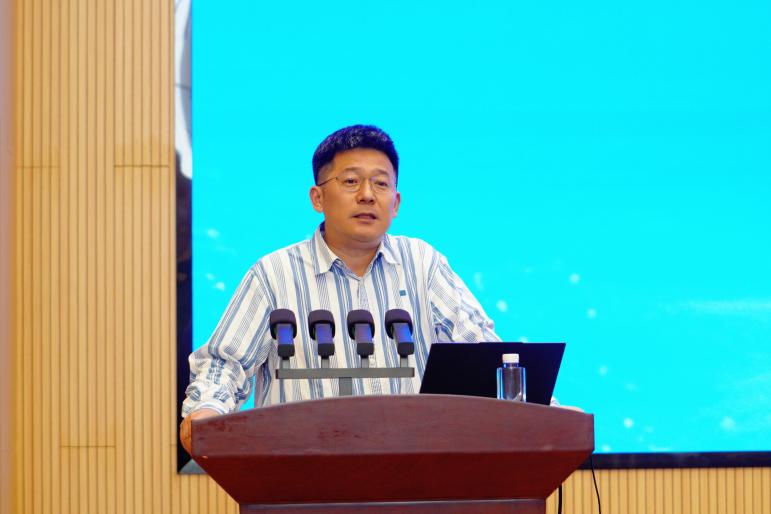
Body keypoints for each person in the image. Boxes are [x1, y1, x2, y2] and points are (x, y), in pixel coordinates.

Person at [180, 125, 500, 453]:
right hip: (303, 468)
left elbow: (484, 353)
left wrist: (526, 398)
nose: (367, 195)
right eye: (350, 181)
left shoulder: (423, 263)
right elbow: (225, 365)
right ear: (317, 198)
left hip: (413, 466)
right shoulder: (273, 274)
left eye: (381, 183)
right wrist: (206, 413)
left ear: (396, 203)